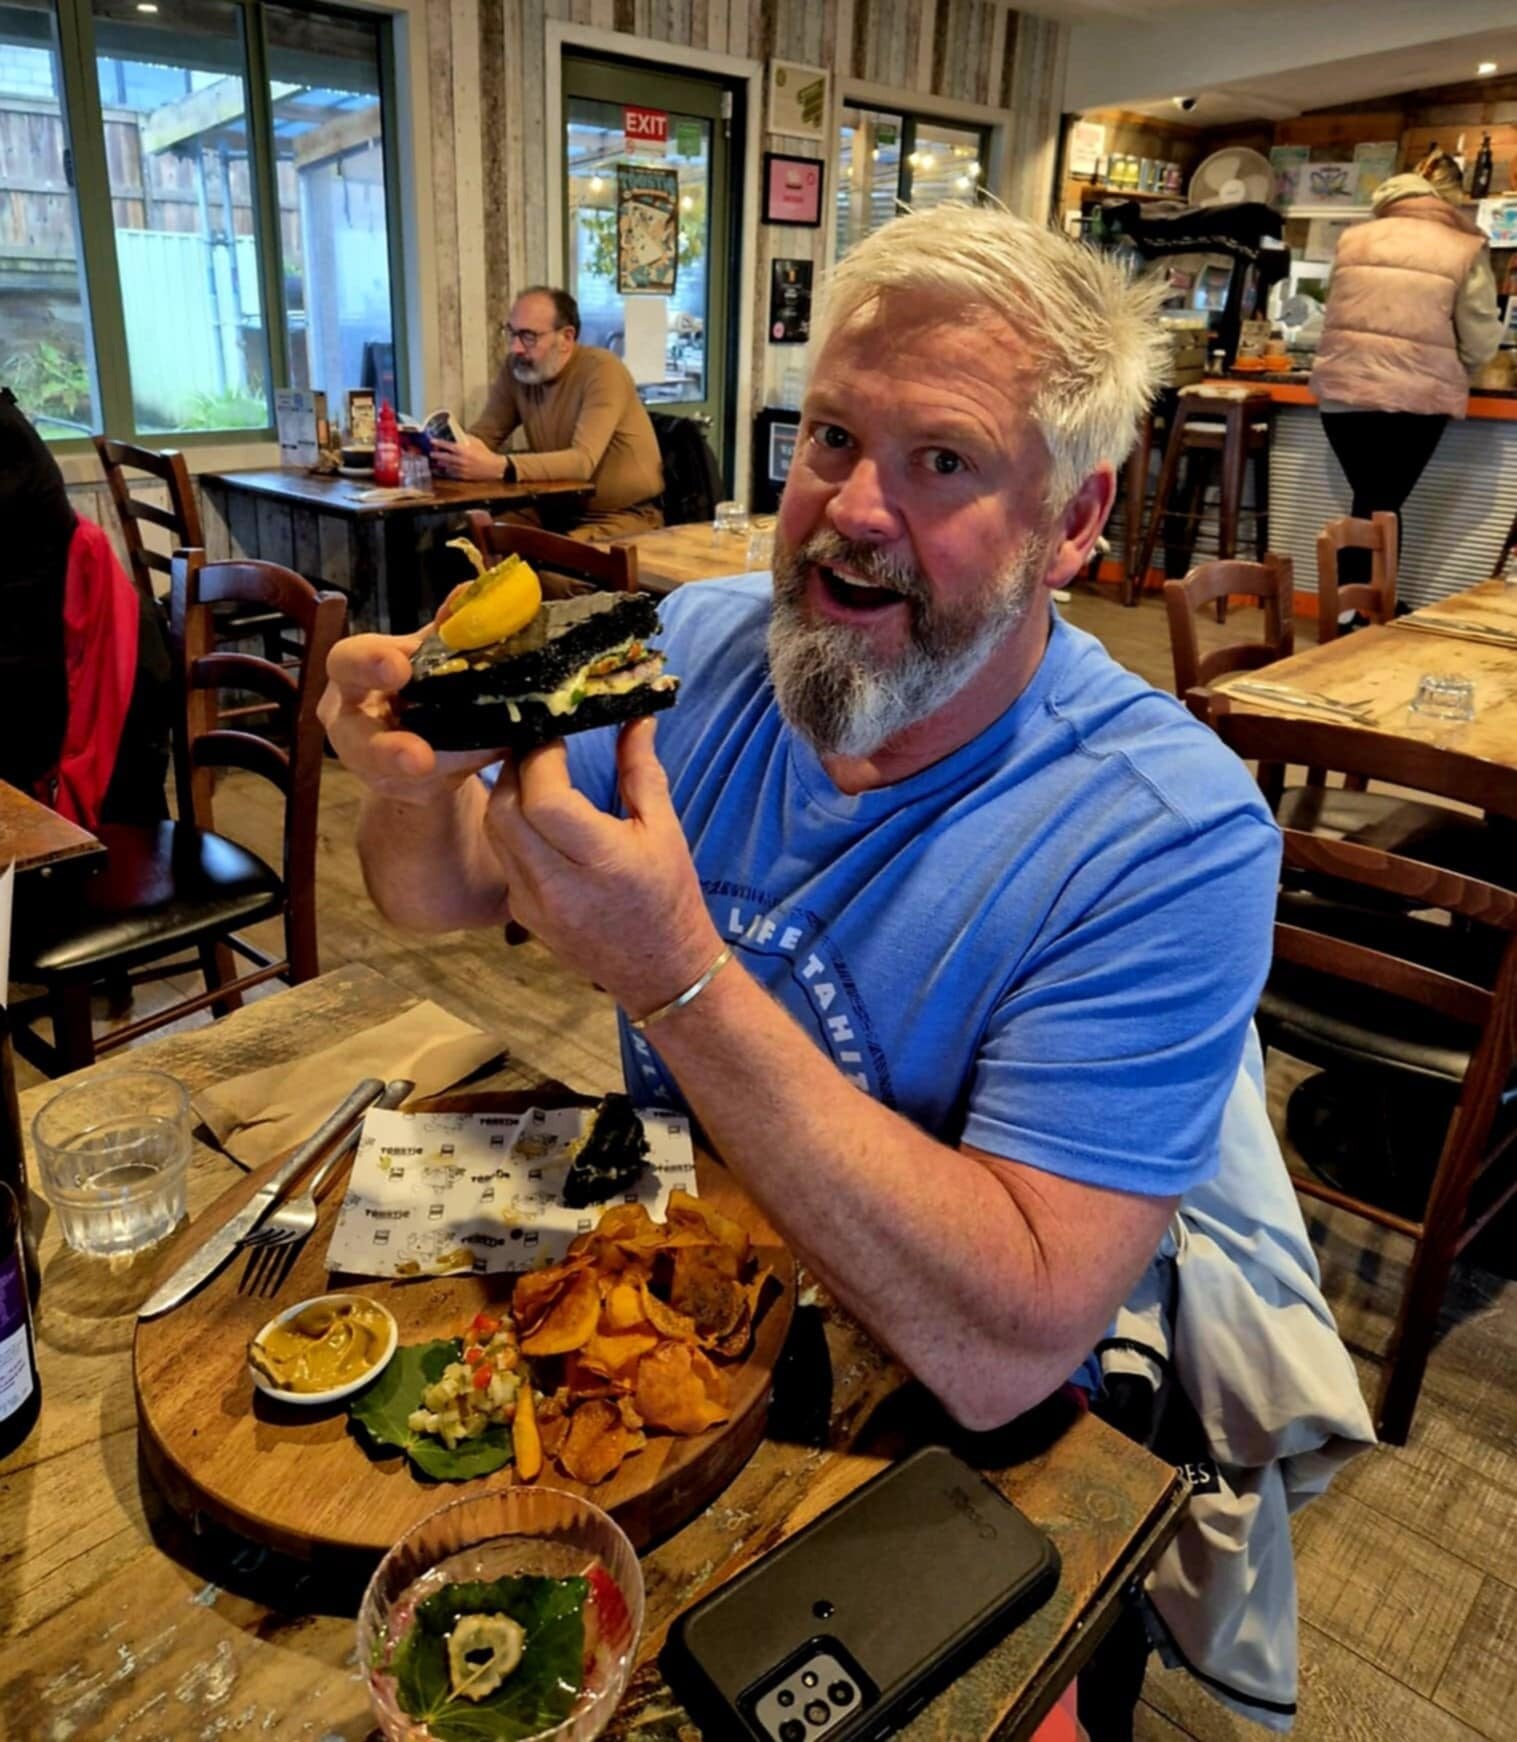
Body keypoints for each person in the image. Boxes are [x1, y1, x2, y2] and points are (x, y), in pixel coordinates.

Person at [324, 204, 1373, 1734]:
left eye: (940, 461)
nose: (849, 511)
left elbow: (1013, 1342)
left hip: (941, 1432)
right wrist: (409, 774)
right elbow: (429, 894)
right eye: (828, 438)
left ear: (1074, 524)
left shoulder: (1168, 833)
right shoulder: (691, 644)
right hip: (662, 1326)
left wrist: (676, 977)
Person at [1311, 150, 1503, 599]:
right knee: (1382, 506)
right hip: (1413, 400)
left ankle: (1360, 609)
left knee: (1374, 504)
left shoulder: (1355, 238)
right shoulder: (1462, 245)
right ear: (1448, 199)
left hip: (1340, 398)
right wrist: (1461, 367)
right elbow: (1479, 339)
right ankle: (1358, 612)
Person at [431, 285, 665, 543]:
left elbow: (582, 462)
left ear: (566, 338)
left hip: (620, 515)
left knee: (556, 574)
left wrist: (501, 467)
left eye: (529, 336)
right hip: (553, 507)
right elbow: (485, 434)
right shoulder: (516, 370)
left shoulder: (602, 371)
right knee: (464, 545)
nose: (515, 348)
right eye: (511, 333)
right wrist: (445, 452)